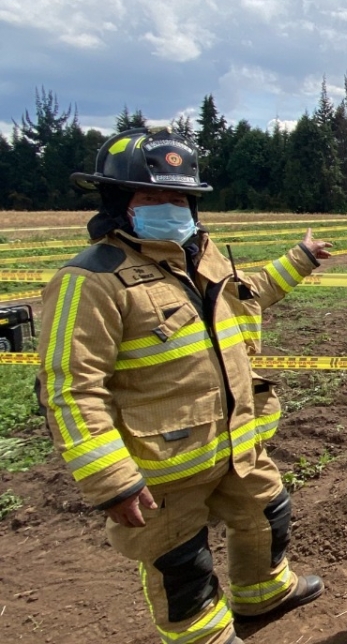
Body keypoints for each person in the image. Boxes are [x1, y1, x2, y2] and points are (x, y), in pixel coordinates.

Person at [37, 127, 331, 644]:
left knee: (267, 514)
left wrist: (300, 258)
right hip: (164, 470)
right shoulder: (90, 281)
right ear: (119, 203)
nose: (169, 208)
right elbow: (70, 389)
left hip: (237, 444)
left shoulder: (202, 256)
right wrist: (110, 478)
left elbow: (250, 293)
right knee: (180, 562)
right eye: (152, 198)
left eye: (179, 198)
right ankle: (205, 637)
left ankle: (263, 592)